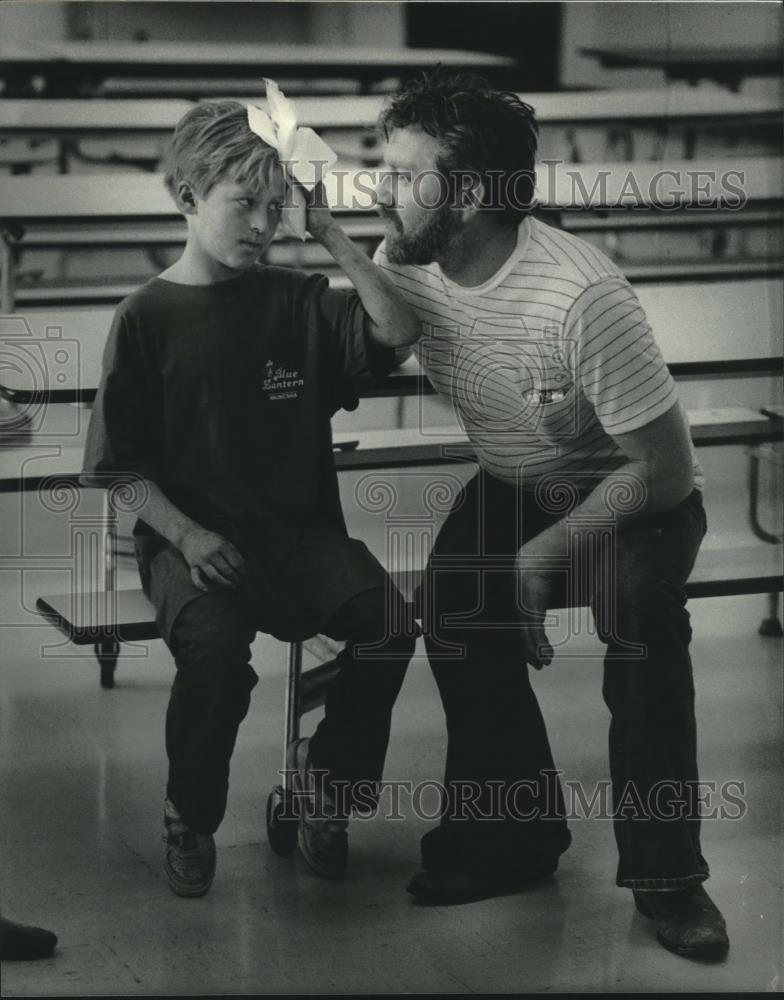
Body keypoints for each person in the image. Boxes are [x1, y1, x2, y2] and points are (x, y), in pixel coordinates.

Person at [371, 72, 729, 961]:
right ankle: (513, 840)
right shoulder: (402, 264)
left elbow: (668, 469)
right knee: (455, 606)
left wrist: (546, 553)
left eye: (406, 177)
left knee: (642, 624)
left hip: (631, 489)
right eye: (383, 168)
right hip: (514, 478)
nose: (380, 190)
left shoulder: (580, 294)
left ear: (474, 195)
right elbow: (368, 342)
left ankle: (669, 876)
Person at [83, 100, 420, 896]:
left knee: (389, 626)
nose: (265, 224)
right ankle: (189, 816)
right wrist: (190, 537)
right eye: (246, 202)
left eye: (277, 207)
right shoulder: (145, 317)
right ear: (189, 196)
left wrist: (332, 234)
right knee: (217, 663)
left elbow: (399, 332)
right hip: (189, 539)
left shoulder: (297, 298)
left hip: (295, 535)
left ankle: (322, 789)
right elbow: (116, 467)